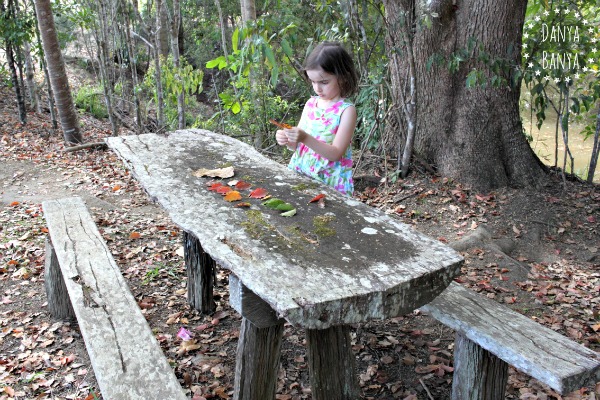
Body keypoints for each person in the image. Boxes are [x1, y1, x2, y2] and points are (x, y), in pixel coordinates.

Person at [275, 42, 359, 196]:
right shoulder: (311, 104)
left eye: (324, 82)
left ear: (342, 78)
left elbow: (335, 153)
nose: (317, 88)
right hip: (301, 174)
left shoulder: (346, 111)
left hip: (330, 183)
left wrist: (304, 137)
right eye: (313, 82)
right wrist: (287, 139)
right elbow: (297, 145)